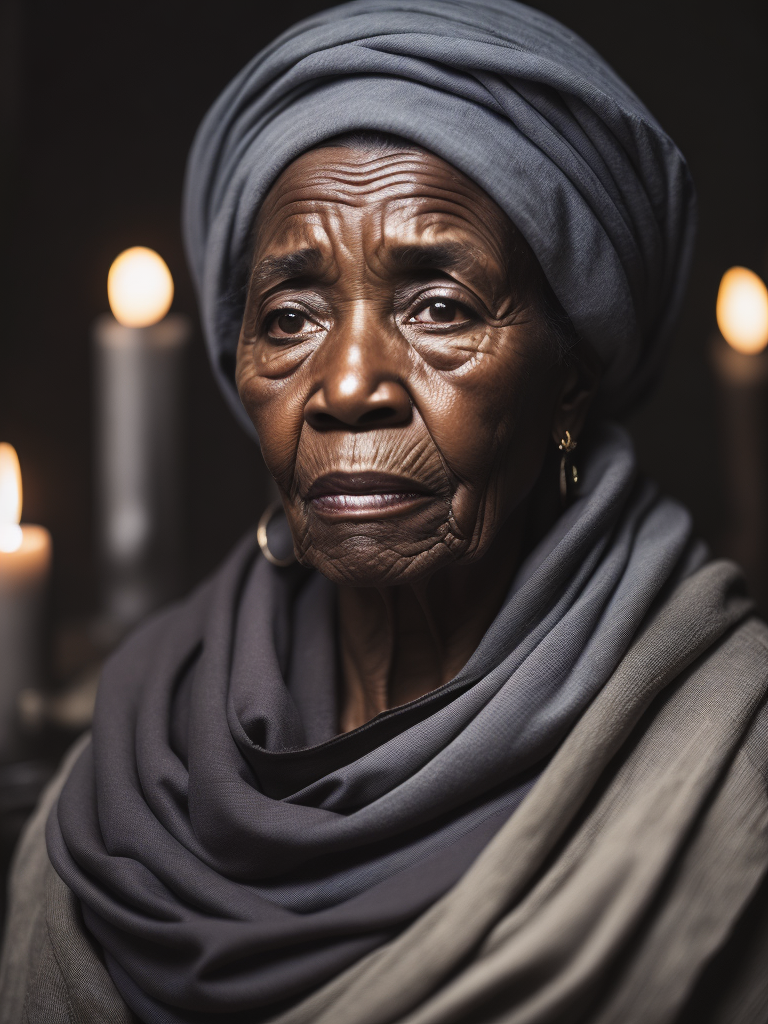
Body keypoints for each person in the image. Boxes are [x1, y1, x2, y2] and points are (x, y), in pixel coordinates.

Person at [3, 2, 768, 1022]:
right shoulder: (132, 761)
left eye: (440, 307)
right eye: (288, 318)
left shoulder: (733, 761)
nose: (348, 383)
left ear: (572, 380)